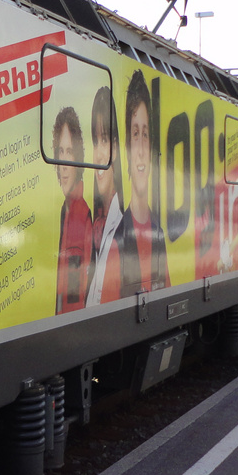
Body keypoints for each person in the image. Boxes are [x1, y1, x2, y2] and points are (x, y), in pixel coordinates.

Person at [117, 70, 168, 296]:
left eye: (145, 135)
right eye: (135, 134)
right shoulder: (117, 238)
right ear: (127, 148)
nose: (139, 150)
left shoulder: (159, 234)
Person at [86, 86, 123, 306]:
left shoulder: (120, 225)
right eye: (95, 142)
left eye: (105, 140)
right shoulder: (98, 226)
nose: (98, 154)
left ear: (116, 148)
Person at [53, 107, 92, 313]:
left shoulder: (81, 216)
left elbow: (76, 298)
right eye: (60, 151)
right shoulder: (64, 211)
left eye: (70, 152)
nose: (64, 164)